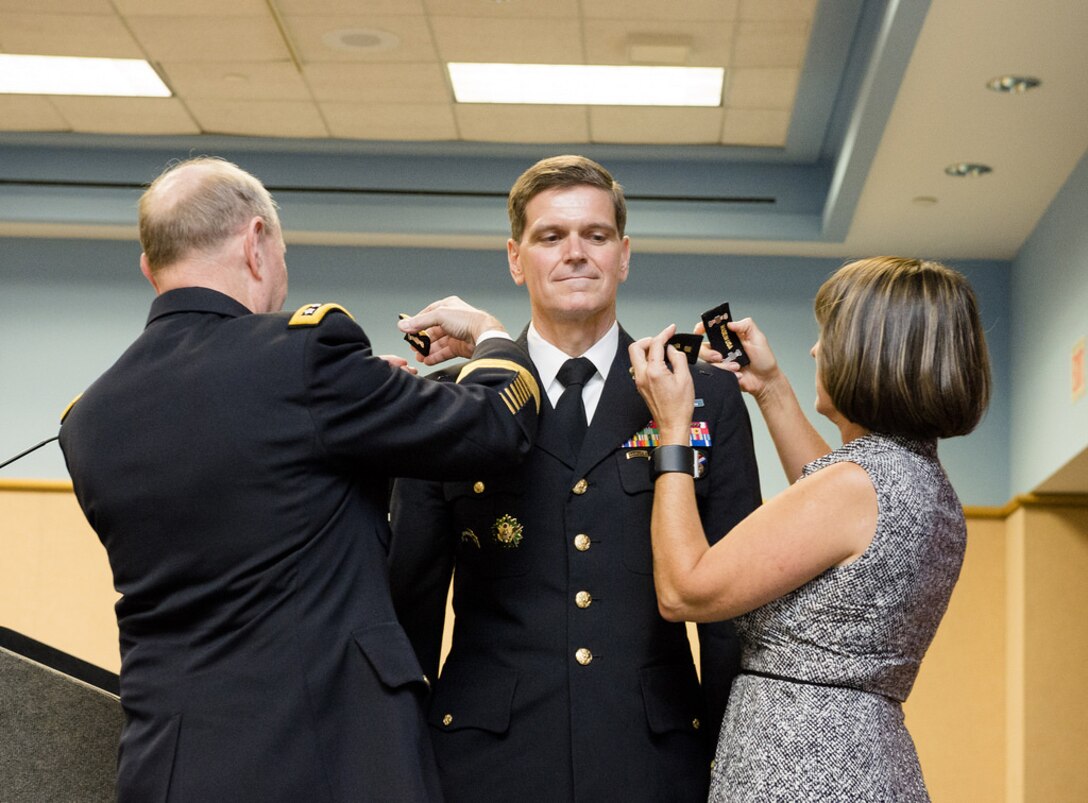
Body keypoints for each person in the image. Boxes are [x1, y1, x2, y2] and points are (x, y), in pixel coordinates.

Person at [58, 156, 542, 802]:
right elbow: (493, 426)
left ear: (151, 268)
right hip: (331, 758)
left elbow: (249, 509)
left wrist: (365, 415)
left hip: (171, 770)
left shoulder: (88, 420)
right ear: (256, 244)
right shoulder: (304, 355)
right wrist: (491, 337)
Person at [388, 155, 761, 801]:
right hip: (485, 761)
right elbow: (411, 603)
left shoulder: (700, 396)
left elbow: (733, 610)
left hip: (651, 755)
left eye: (595, 235)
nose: (576, 254)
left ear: (624, 254)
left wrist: (732, 764)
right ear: (515, 257)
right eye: (550, 236)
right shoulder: (453, 400)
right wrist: (397, 766)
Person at [628, 256, 991, 801]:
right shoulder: (916, 481)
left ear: (870, 356)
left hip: (801, 762)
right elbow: (822, 503)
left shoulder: (855, 488)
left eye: (829, 336)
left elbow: (684, 589)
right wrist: (770, 388)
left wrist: (672, 430)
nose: (817, 350)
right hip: (864, 755)